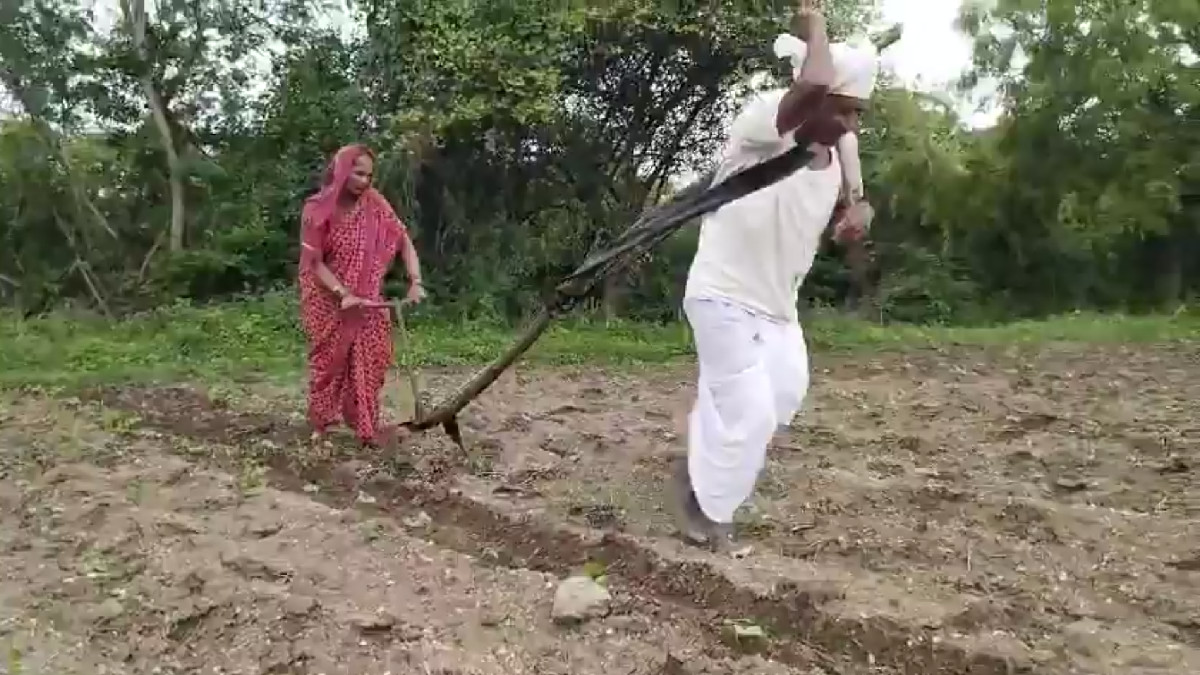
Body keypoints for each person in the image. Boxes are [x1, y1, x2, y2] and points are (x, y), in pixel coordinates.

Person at [668, 0, 878, 551]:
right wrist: (814, 20)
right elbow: (808, 87)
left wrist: (858, 213)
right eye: (847, 110)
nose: (854, 124)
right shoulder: (763, 126)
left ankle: (702, 463)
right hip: (722, 295)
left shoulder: (838, 152)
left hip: (778, 309)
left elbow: (854, 203)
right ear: (817, 99)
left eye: (859, 113)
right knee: (748, 410)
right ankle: (705, 512)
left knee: (781, 397)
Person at [298, 144, 426, 448]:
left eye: (369, 175)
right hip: (327, 299)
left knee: (372, 361)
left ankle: (363, 424)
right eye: (358, 174)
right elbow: (314, 263)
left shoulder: (374, 204)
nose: (365, 182)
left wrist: (416, 281)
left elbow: (403, 239)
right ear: (341, 171)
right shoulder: (316, 209)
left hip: (367, 300)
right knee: (330, 362)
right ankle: (322, 423)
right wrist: (342, 293)